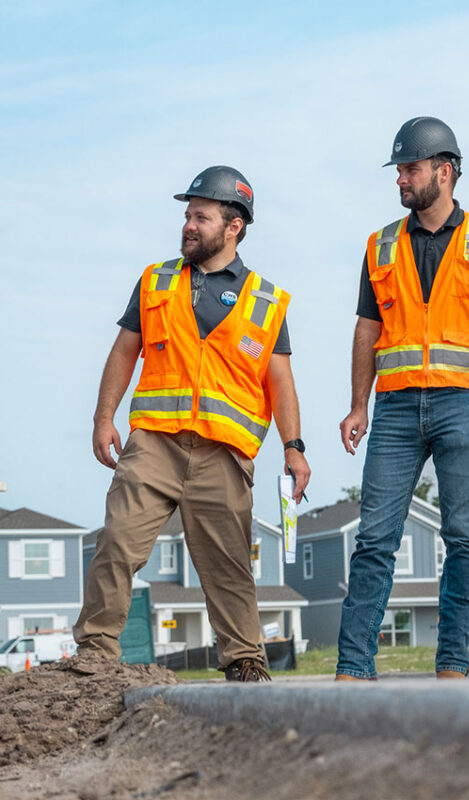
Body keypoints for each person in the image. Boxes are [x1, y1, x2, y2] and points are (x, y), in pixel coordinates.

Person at [74, 166, 311, 682]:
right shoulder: (156, 281)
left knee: (228, 567)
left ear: (234, 227)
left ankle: (244, 660)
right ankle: (94, 655)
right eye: (187, 215)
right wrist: (103, 417)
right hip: (153, 445)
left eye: (200, 217)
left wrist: (294, 448)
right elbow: (124, 351)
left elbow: (281, 381)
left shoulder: (266, 302)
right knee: (116, 543)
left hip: (223, 456)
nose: (188, 225)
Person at [336, 117, 469, 680]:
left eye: (410, 168)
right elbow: (366, 332)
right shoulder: (381, 244)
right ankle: (353, 668)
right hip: (395, 409)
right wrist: (358, 405)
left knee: (463, 535)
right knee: (374, 538)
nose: (401, 178)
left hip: (465, 404)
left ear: (443, 172)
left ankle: (452, 664)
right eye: (399, 169)